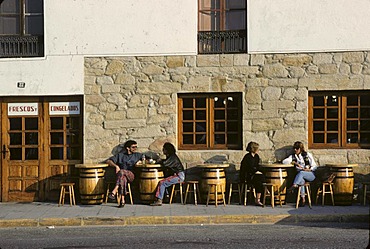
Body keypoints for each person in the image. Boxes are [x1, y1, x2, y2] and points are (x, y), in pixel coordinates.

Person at [106, 140, 143, 207]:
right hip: (121, 177)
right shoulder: (120, 155)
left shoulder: (137, 155)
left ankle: (114, 190)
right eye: (133, 147)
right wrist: (116, 166)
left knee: (122, 172)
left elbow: (148, 159)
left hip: (131, 176)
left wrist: (141, 161)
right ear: (128, 148)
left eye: (136, 147)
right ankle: (122, 200)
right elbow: (108, 161)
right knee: (123, 178)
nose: (135, 149)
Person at [282, 141, 317, 207]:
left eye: (297, 148)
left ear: (301, 149)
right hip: (300, 175)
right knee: (301, 181)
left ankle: (294, 185)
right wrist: (294, 163)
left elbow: (315, 166)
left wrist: (308, 169)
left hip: (310, 174)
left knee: (301, 173)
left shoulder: (307, 155)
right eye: (294, 148)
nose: (295, 150)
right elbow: (284, 162)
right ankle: (303, 199)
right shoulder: (293, 156)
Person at [239, 141, 265, 206]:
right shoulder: (247, 157)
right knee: (260, 179)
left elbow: (257, 166)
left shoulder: (256, 157)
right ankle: (259, 198)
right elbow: (247, 168)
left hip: (255, 175)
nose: (258, 150)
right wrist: (255, 171)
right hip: (248, 176)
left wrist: (258, 171)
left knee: (260, 180)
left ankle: (258, 199)